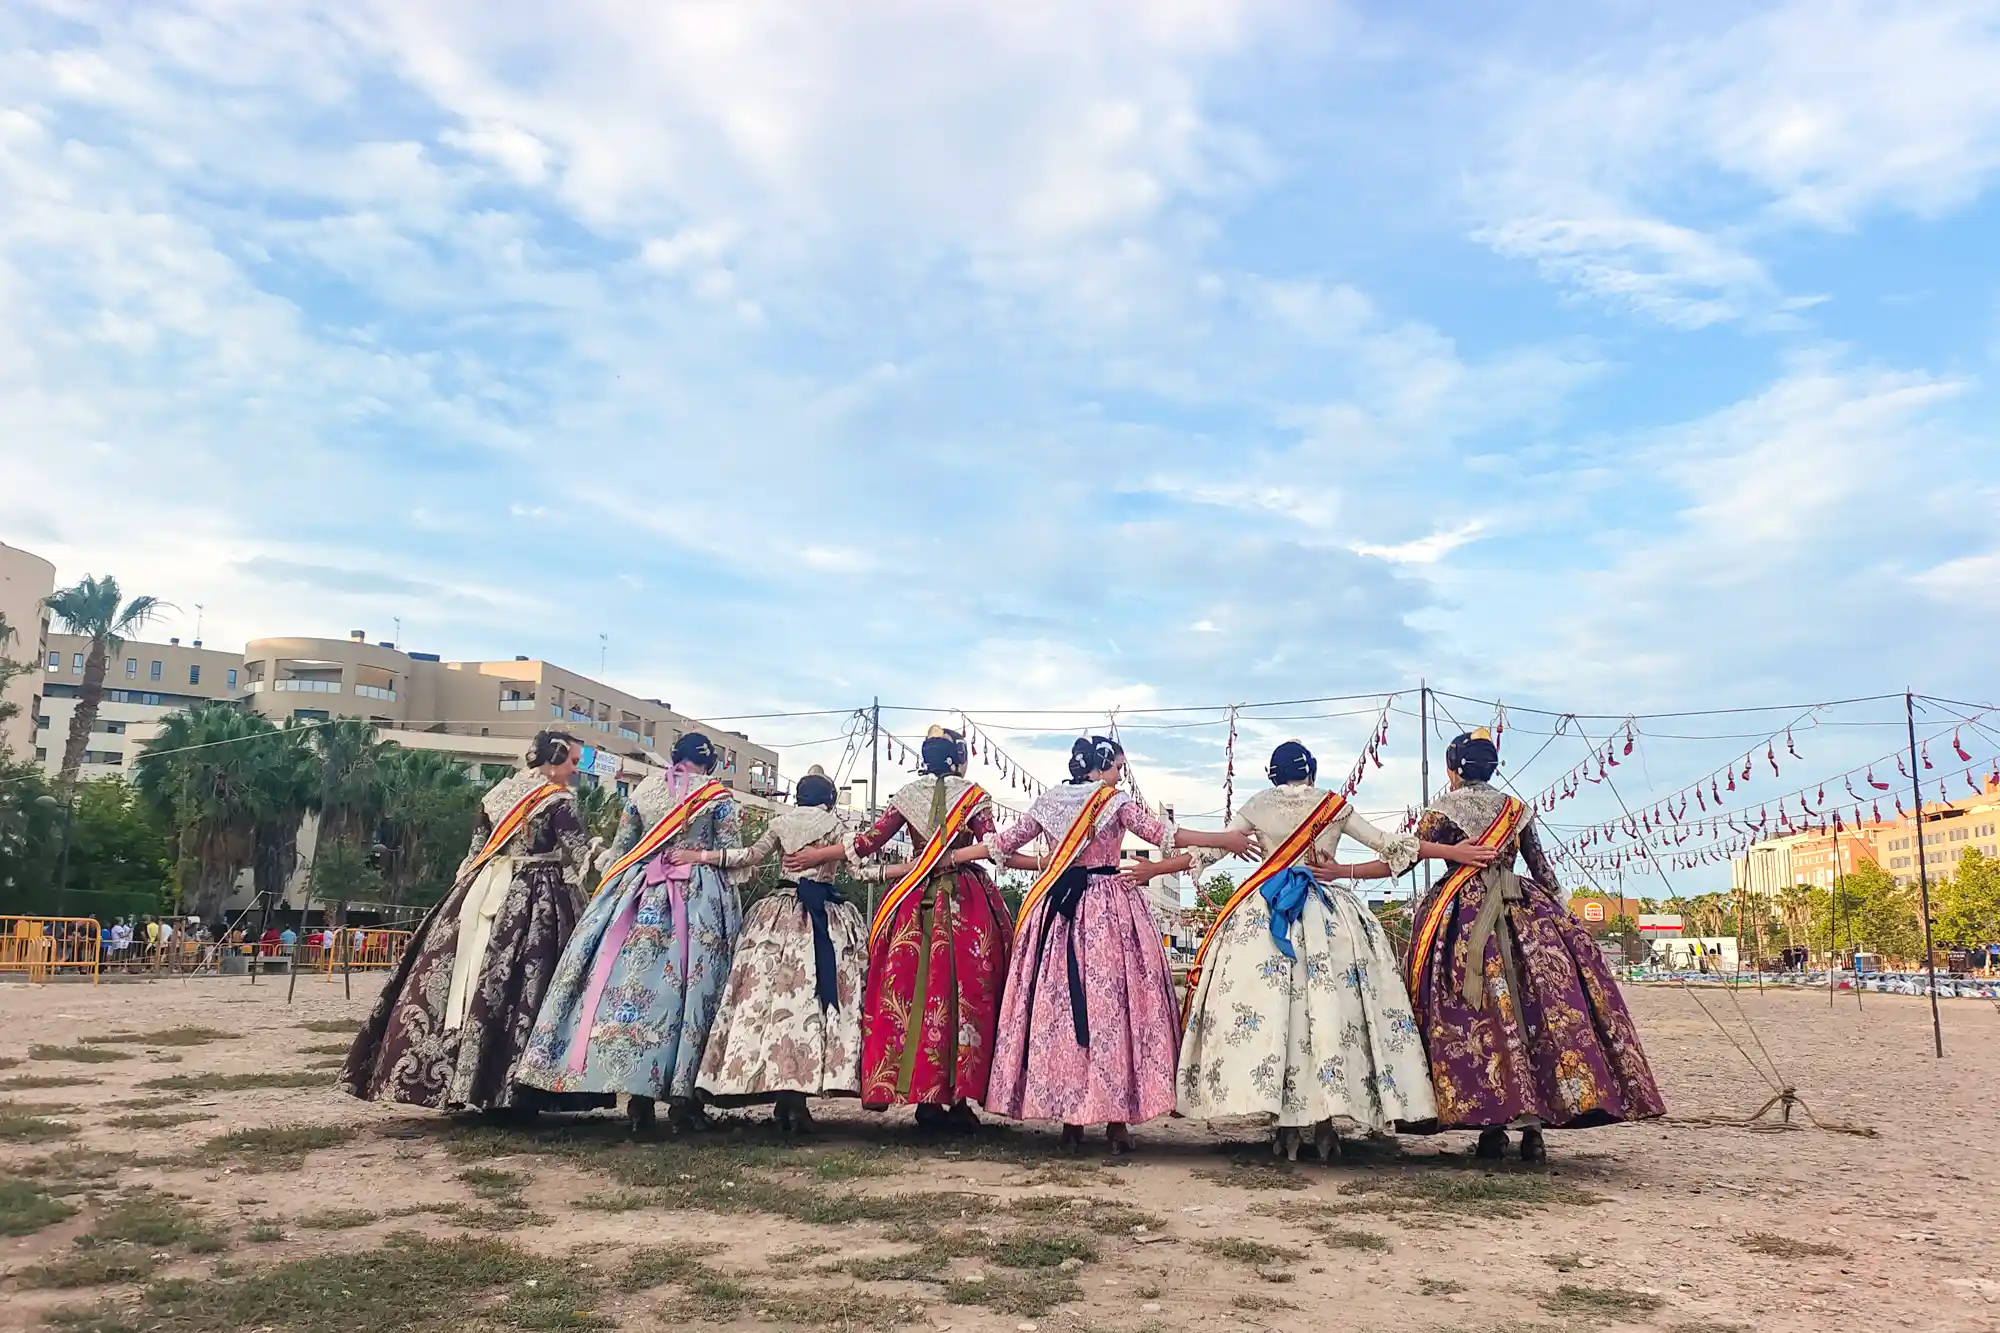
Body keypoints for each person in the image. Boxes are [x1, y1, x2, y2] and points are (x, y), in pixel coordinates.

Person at [1165, 741, 1502, 1161]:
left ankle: (1286, 1121)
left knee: (1276, 1016)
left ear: (1273, 773)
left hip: (1266, 915)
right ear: (1312, 772)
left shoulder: (1257, 804)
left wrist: (1155, 869)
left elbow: (1209, 852)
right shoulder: (1334, 804)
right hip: (1331, 918)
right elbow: (1391, 845)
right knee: (1330, 1014)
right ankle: (1326, 1120)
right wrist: (1453, 853)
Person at [970, 736, 1251, 1154]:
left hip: (1058, 910)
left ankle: (1070, 1122)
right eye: (1118, 766)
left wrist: (955, 858)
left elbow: (1002, 847)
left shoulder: (1049, 801)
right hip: (1109, 908)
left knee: (1058, 1010)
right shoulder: (1114, 801)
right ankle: (1117, 1122)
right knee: (1118, 1010)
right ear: (1101, 767)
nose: (1121, 775)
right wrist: (1224, 840)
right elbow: (1165, 835)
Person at [1406, 730, 1665, 1161]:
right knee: (1537, 1011)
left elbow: (1414, 852)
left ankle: (1491, 1125)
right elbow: (1542, 870)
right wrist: (1563, 921)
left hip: (1461, 915)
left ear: (1453, 769)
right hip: (1524, 911)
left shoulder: (1441, 811)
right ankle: (1534, 1131)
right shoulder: (1517, 810)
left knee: (1477, 1016)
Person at [343, 730, 601, 1117]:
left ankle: (453, 1081)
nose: (575, 770)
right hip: (538, 894)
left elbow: (475, 853)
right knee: (529, 984)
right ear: (554, 760)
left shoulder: (495, 795)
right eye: (573, 762)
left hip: (479, 890)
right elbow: (580, 852)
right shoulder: (558, 801)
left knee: (463, 978)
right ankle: (513, 1088)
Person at [783, 726, 1011, 1135]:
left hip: (914, 902)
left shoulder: (907, 795)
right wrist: (956, 855)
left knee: (911, 994)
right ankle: (958, 1099)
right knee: (970, 994)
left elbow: (867, 841)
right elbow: (994, 845)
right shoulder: (974, 796)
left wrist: (820, 854)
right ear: (959, 758)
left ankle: (923, 1095)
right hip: (966, 902)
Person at [515, 733, 744, 1137]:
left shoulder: (643, 791)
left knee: (633, 990)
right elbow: (733, 853)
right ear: (707, 763)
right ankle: (684, 1101)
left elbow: (622, 851)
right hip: (697, 900)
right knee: (691, 994)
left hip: (637, 895)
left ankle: (638, 1101)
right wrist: (709, 858)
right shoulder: (717, 797)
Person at [696, 767, 876, 1134]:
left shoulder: (782, 822)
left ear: (798, 798)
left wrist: (703, 856)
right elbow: (861, 867)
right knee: (817, 1001)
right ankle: (801, 1096)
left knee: (767, 1001)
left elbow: (749, 855)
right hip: (825, 917)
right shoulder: (836, 825)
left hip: (776, 915)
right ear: (829, 800)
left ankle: (775, 1091)